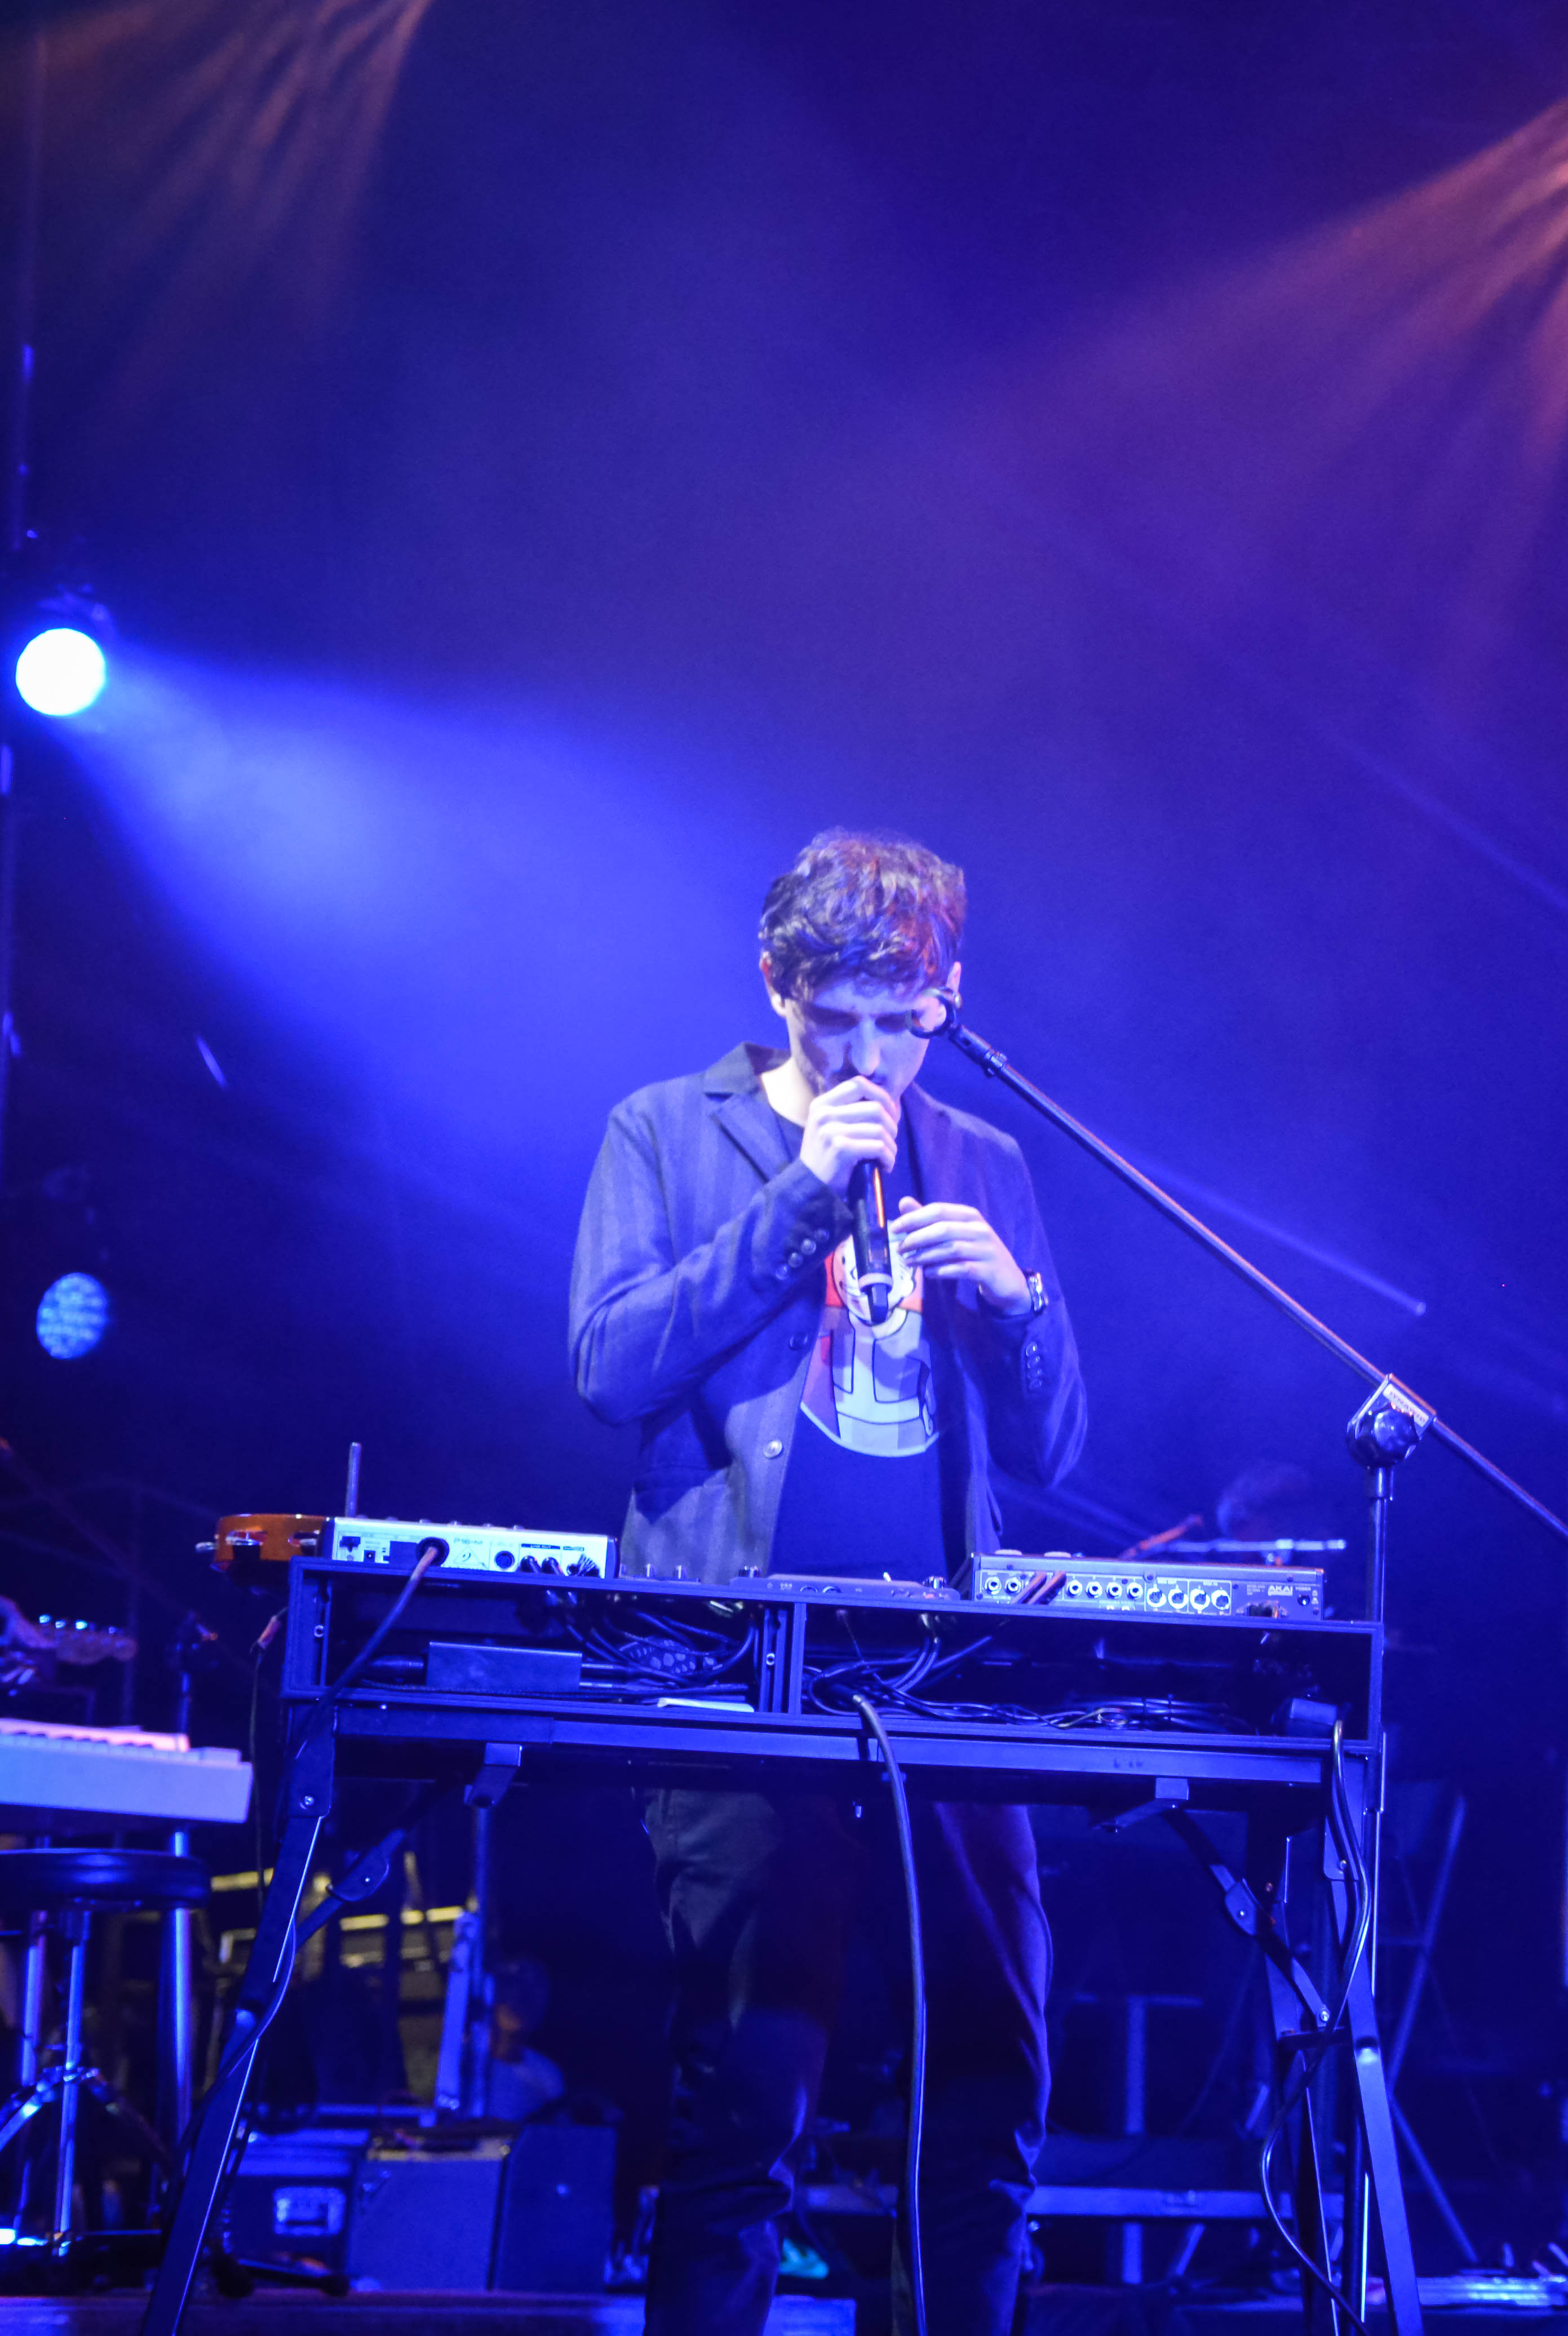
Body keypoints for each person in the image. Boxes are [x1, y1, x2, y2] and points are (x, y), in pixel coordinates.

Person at [572, 830, 1086, 2335]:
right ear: (775, 986)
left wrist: (1018, 1305)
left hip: (946, 1675)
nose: (868, 1058)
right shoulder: (667, 1130)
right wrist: (801, 1195)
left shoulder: (986, 1161)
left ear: (947, 1000)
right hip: (745, 1667)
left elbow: (1054, 1450)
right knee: (747, 2094)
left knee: (988, 2084)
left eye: (899, 1024)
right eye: (834, 1021)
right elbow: (610, 1367)